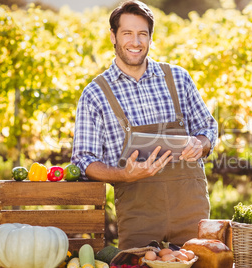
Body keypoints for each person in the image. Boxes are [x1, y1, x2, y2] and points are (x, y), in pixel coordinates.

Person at [71, 0, 218, 250]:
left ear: (151, 37)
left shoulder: (178, 78)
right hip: (139, 217)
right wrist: (123, 174)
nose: (135, 42)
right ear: (113, 36)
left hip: (191, 212)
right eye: (127, 33)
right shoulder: (96, 93)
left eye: (142, 34)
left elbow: (209, 129)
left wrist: (200, 144)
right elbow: (84, 160)